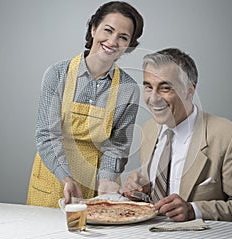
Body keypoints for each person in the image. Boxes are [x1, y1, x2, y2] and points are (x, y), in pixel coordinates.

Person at [121, 48, 232, 223]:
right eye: (148, 87)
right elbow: (157, 197)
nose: (153, 98)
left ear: (189, 91)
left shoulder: (230, 137)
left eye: (165, 88)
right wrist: (138, 192)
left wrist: (193, 210)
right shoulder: (149, 129)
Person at [27, 1, 144, 208]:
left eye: (123, 37)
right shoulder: (57, 74)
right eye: (108, 30)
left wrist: (106, 181)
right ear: (93, 29)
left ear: (129, 45)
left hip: (99, 183)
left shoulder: (128, 89)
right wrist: (66, 178)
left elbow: (117, 146)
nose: (112, 41)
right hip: (54, 178)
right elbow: (46, 135)